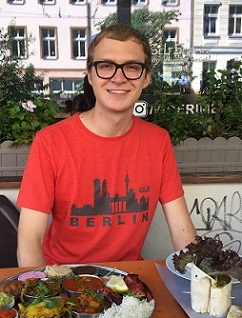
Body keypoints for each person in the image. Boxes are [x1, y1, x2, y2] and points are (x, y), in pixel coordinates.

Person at [16, 24, 196, 267]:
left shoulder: (158, 141)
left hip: (128, 282)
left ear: (146, 78)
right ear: (90, 76)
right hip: (64, 278)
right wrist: (42, 295)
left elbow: (182, 233)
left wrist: (200, 280)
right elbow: (29, 240)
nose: (118, 77)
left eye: (132, 67)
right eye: (106, 66)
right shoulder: (50, 142)